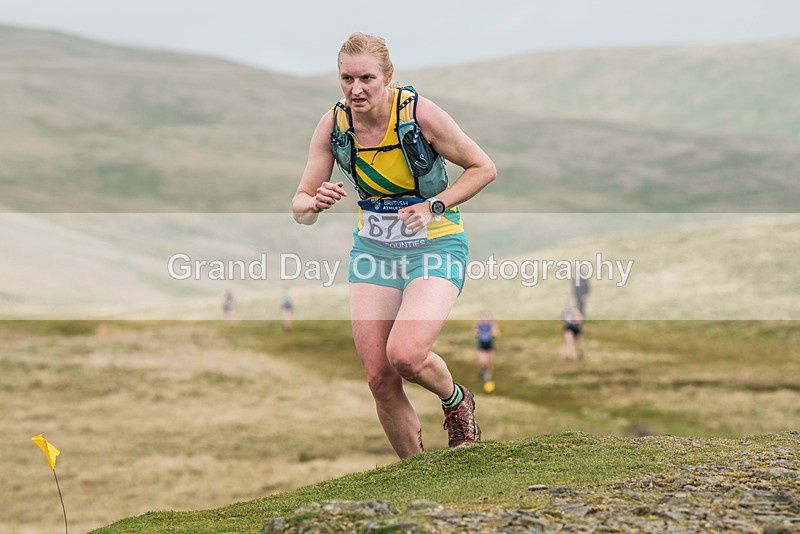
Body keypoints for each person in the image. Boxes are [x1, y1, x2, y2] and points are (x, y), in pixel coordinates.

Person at [292, 33, 496, 458]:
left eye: (367, 77)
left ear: (388, 77)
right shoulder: (333, 124)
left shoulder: (419, 114)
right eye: (347, 78)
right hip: (374, 252)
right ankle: (416, 477)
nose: (356, 89)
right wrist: (314, 202)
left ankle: (457, 402)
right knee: (379, 379)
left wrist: (434, 205)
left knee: (405, 355)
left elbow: (483, 168)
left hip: (436, 245)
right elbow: (300, 206)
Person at [473, 311, 500, 383]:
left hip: (490, 345)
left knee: (489, 362)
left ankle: (488, 374)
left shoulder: (492, 325)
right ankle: (482, 369)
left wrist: (492, 333)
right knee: (482, 362)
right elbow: (474, 333)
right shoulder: (479, 325)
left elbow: (497, 334)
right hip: (481, 345)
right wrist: (477, 333)